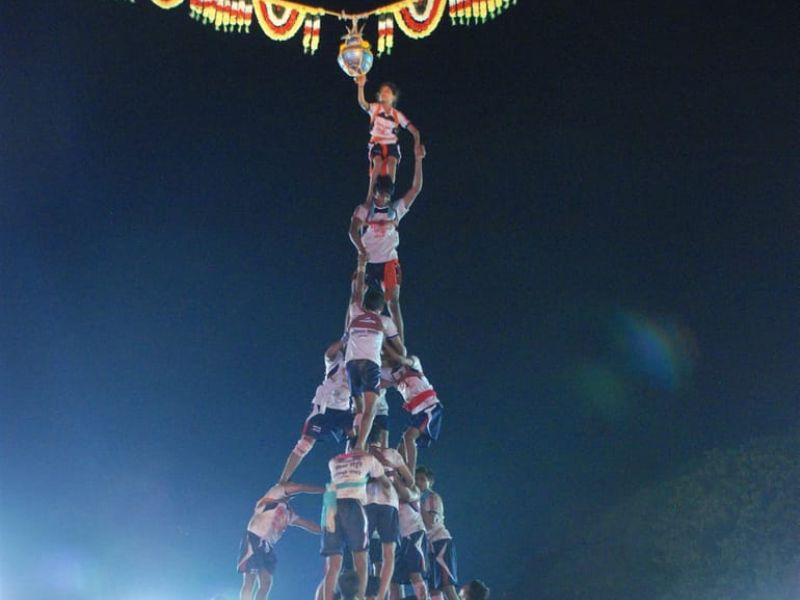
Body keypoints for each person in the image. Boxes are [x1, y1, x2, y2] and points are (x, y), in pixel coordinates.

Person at [349, 144, 426, 344]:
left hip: (388, 262)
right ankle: (348, 337)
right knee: (355, 298)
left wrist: (418, 160)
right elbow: (352, 230)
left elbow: (415, 189)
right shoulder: (365, 210)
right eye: (380, 194)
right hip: (368, 261)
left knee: (392, 303)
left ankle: (400, 345)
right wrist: (361, 249)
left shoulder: (394, 210)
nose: (383, 198)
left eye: (386, 195)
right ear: (374, 192)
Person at [321, 448, 393, 600]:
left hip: (331, 504)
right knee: (361, 560)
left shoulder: (333, 460)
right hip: (354, 506)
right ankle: (360, 598)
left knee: (333, 565)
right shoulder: (369, 458)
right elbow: (386, 484)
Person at [278, 338, 354, 484]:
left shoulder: (357, 364)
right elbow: (329, 353)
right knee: (305, 443)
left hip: (343, 409)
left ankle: (353, 474)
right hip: (324, 407)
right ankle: (283, 480)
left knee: (355, 436)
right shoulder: (337, 360)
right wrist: (344, 339)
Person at [345, 254, 401, 451]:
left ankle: (353, 445)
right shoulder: (384, 321)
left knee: (359, 408)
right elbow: (400, 347)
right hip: (370, 364)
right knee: (370, 409)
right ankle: (360, 445)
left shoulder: (355, 311)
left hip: (351, 364)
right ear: (381, 308)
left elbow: (356, 293)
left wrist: (361, 265)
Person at [237, 482, 323, 600]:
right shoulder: (274, 494)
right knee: (250, 579)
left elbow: (306, 524)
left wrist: (327, 531)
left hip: (267, 546)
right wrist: (325, 490)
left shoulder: (288, 513)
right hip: (254, 537)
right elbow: (301, 487)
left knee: (266, 583)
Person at [365, 427, 415, 600]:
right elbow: (410, 480)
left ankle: (363, 596)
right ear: (381, 438)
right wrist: (394, 475)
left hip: (368, 504)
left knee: (362, 552)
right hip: (389, 504)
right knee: (388, 554)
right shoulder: (392, 454)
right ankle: (381, 597)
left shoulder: (362, 455)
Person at [354, 75, 421, 191]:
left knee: (392, 163)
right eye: (382, 91)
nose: (384, 93)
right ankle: (370, 194)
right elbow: (362, 103)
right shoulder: (375, 108)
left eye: (388, 91)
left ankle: (388, 192)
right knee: (378, 163)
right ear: (379, 96)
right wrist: (361, 86)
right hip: (376, 142)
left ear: (394, 97)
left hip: (391, 144)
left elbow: (415, 131)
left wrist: (417, 144)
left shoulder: (397, 115)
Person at [387, 355, 443, 475]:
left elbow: (401, 359)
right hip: (416, 413)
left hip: (429, 406)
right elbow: (381, 383)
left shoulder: (414, 364)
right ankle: (396, 476)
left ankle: (410, 475)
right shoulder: (391, 375)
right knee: (401, 448)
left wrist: (386, 345)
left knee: (409, 437)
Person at [416, 466, 458, 600]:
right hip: (428, 547)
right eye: (416, 479)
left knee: (447, 586)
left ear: (430, 482)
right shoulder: (417, 499)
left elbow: (430, 522)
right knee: (433, 589)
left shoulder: (433, 498)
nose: (418, 482)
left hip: (441, 543)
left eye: (422, 479)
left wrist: (417, 504)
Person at [390, 476, 429, 600]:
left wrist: (394, 477)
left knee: (415, 572)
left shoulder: (413, 489)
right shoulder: (387, 488)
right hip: (399, 536)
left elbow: (406, 496)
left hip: (414, 531)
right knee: (394, 577)